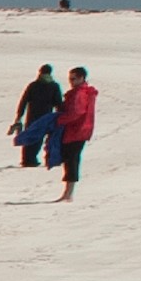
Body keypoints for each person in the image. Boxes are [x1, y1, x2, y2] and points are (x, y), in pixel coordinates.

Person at [53, 66, 101, 203]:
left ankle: (68, 193)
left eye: (73, 78)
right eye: (70, 79)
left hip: (76, 130)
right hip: (79, 130)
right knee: (70, 159)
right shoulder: (82, 92)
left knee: (71, 160)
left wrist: (60, 120)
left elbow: (77, 112)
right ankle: (68, 192)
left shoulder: (80, 93)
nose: (71, 81)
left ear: (81, 78)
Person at [11, 63, 62, 167]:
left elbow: (24, 101)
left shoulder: (33, 85)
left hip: (32, 116)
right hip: (46, 116)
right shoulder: (54, 86)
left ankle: (27, 159)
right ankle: (34, 159)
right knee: (39, 138)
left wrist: (19, 115)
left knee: (30, 136)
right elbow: (58, 103)